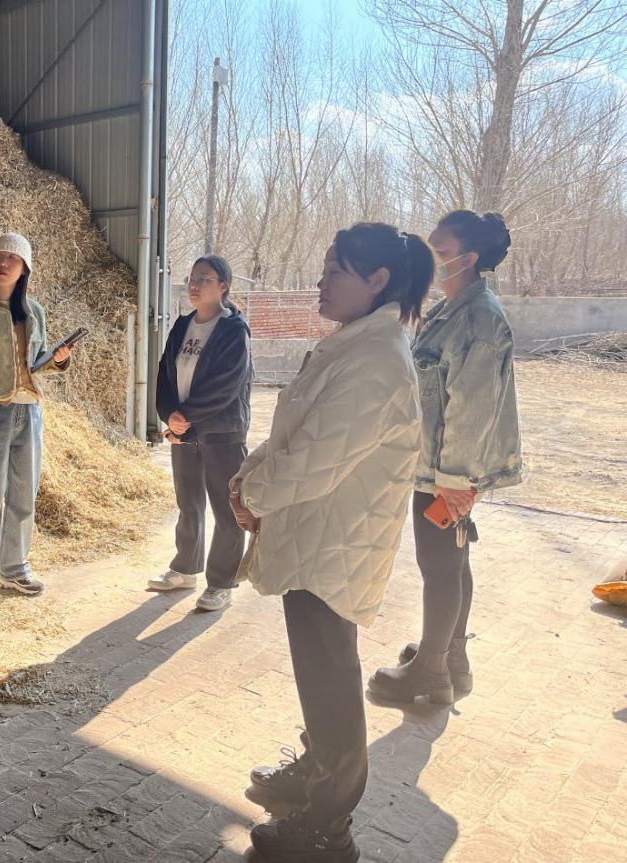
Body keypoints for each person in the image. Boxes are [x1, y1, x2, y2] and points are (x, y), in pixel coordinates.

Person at [232, 224, 433, 863]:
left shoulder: (375, 361)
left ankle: (328, 826)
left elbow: (314, 461)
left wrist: (253, 494)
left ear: (377, 280)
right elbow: (295, 433)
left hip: (336, 544)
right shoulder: (353, 345)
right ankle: (316, 772)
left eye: (334, 271)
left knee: (331, 679)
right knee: (320, 672)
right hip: (318, 535)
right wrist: (248, 481)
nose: (320, 283)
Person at [369, 210, 522, 704]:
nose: (432, 259)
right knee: (451, 562)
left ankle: (431, 673)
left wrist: (455, 480)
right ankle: (450, 657)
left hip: (446, 470)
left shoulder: (478, 318)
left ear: (468, 258)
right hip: (436, 466)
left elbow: (473, 406)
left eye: (441, 251)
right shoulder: (451, 309)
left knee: (439, 566)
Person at [0, 233, 75, 619]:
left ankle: (13, 569)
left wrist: (58, 360)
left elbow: (37, 364)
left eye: (13, 258)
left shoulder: (34, 311)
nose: (3, 263)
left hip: (30, 412)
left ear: (24, 269)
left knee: (24, 495)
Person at [151, 255, 253, 612]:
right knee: (189, 502)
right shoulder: (182, 326)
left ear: (223, 286)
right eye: (192, 278)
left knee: (227, 509)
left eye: (204, 279)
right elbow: (165, 373)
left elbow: (226, 384)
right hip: (184, 429)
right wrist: (169, 414)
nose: (194, 285)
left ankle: (222, 583)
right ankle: (185, 569)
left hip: (222, 431)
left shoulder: (233, 330)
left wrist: (187, 417)